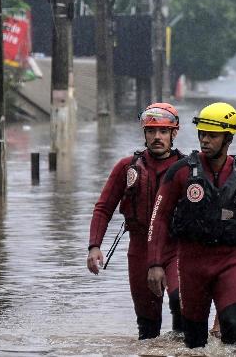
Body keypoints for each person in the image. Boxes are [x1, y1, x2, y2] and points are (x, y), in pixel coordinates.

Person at [146, 102, 236, 349]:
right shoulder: (181, 173)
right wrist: (155, 263)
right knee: (194, 341)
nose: (204, 140)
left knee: (233, 325)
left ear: (228, 138)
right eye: (202, 134)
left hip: (229, 262)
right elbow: (159, 217)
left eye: (212, 135)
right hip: (191, 264)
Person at [86, 102, 185, 340]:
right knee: (148, 329)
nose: (157, 137)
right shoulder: (127, 167)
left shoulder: (188, 169)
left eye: (163, 131)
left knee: (180, 303)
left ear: (174, 133)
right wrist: (94, 246)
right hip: (139, 249)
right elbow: (103, 207)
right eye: (151, 131)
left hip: (176, 249)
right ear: (144, 134)